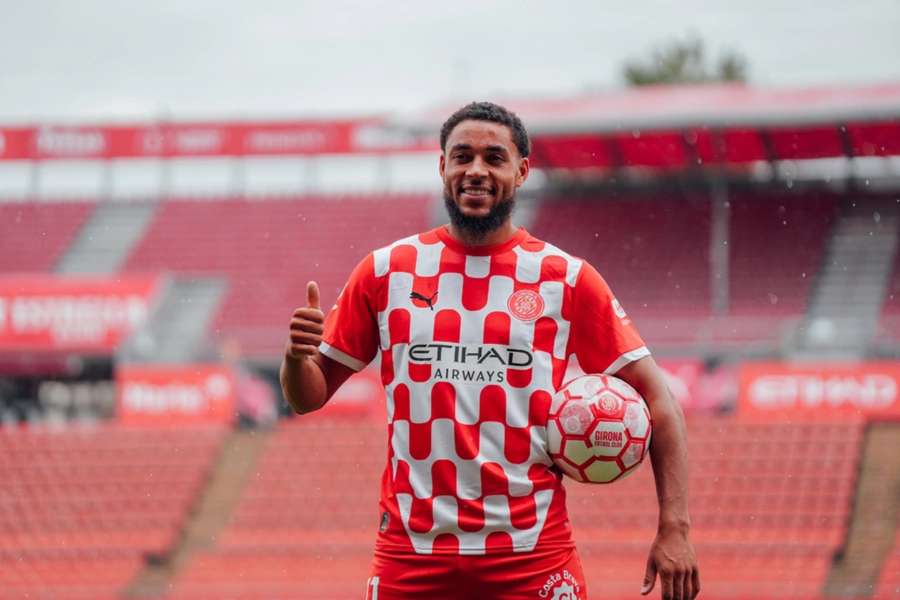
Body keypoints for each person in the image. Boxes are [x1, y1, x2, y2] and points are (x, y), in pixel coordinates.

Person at [281, 102, 700, 600]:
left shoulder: (565, 279)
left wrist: (675, 526)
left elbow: (660, 401)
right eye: (462, 156)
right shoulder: (385, 271)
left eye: (493, 158)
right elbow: (308, 397)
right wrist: (295, 357)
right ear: (442, 166)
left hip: (532, 555)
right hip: (410, 555)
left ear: (521, 171)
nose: (475, 171)